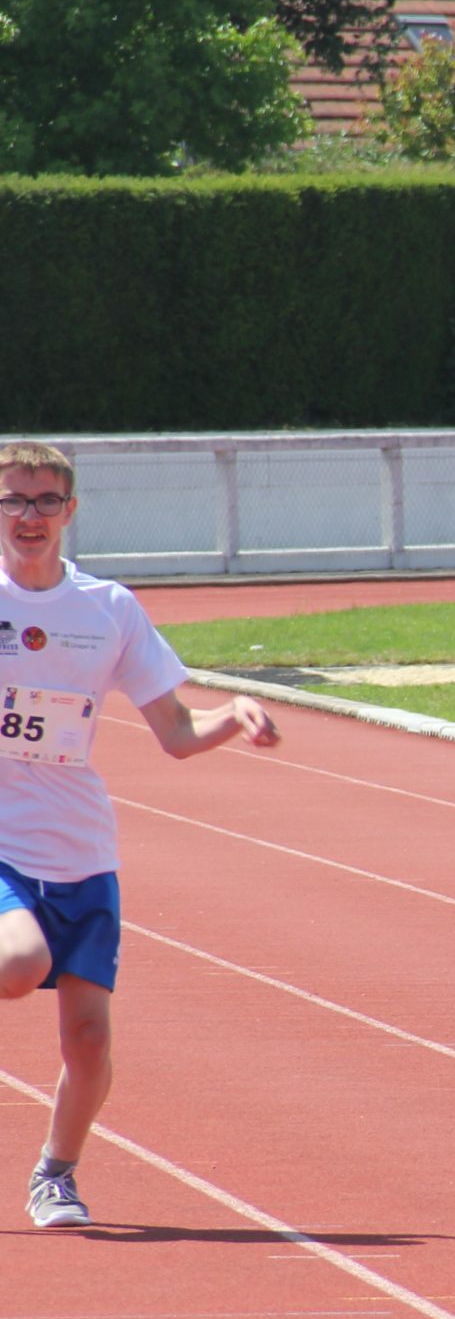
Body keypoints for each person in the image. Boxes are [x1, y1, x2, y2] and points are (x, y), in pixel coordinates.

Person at [0, 443, 281, 1231]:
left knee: (88, 1041)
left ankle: (55, 1174)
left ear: (70, 511)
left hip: (82, 852)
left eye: (45, 501)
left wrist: (236, 715)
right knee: (18, 964)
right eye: (14, 501)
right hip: (3, 846)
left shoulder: (108, 609)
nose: (29, 516)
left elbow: (179, 731)